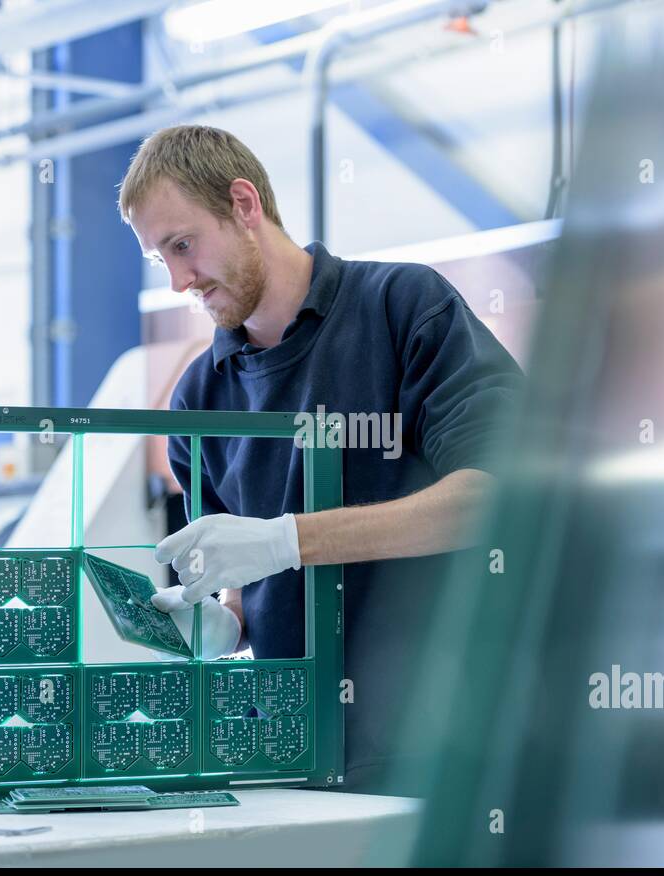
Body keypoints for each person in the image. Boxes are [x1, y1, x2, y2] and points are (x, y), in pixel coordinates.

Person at [120, 124, 525, 793]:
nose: (178, 280)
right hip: (295, 770)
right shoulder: (199, 399)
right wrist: (223, 622)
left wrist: (290, 540)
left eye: (182, 244)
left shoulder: (404, 310)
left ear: (245, 205)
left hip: (445, 763)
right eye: (158, 258)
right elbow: (243, 582)